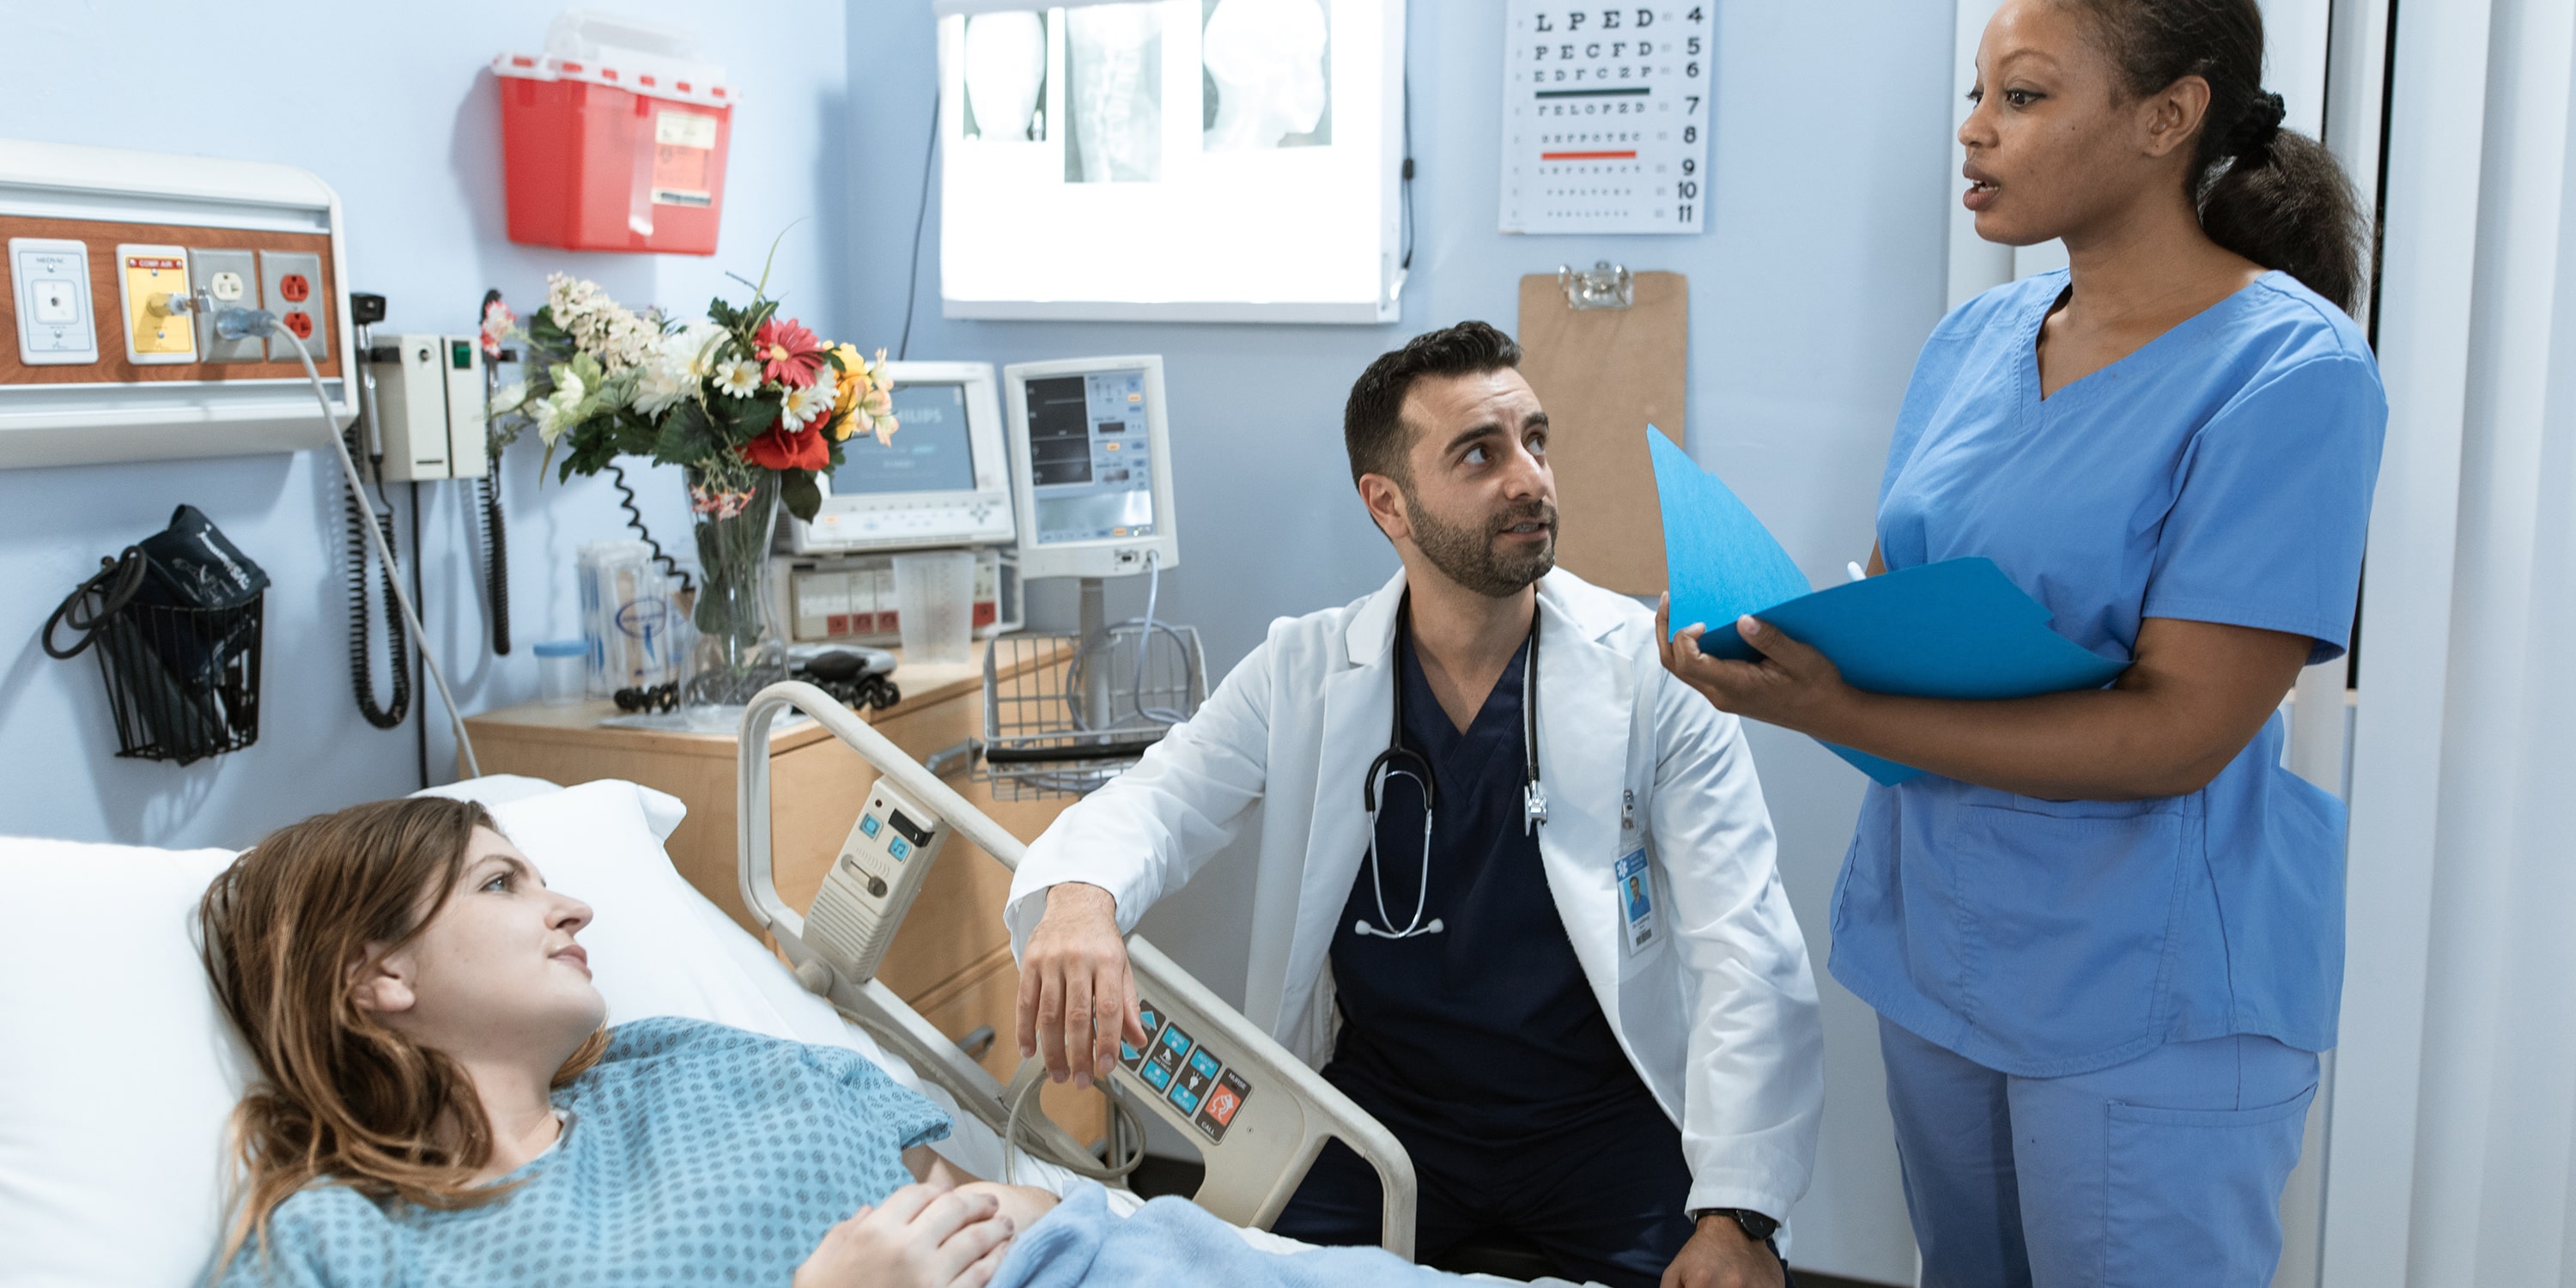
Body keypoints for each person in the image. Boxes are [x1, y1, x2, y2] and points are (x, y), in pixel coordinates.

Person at [1654, 1, 2385, 1284]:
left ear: (2170, 117)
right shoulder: (1979, 338)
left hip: (2148, 993)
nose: (1974, 129)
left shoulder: (2291, 374)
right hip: (1944, 950)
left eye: (2026, 97)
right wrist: (1776, 642)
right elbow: (1897, 598)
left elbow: (2176, 734)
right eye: (1980, 91)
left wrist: (1832, 711)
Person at [1010, 321, 1823, 1288]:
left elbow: (1746, 944)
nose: (1530, 478)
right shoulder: (1305, 669)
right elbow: (1161, 797)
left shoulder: (1654, 672)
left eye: (1536, 440)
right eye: (1481, 453)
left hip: (1603, 1125)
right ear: (1386, 504)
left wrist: (1738, 1214)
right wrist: (1079, 898)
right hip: (1382, 1120)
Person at [196, 797, 1545, 1288]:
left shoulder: (678, 1060)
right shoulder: (338, 1243)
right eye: (502, 885)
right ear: (374, 974)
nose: (573, 902)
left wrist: (1034, 1212)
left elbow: (965, 1190)